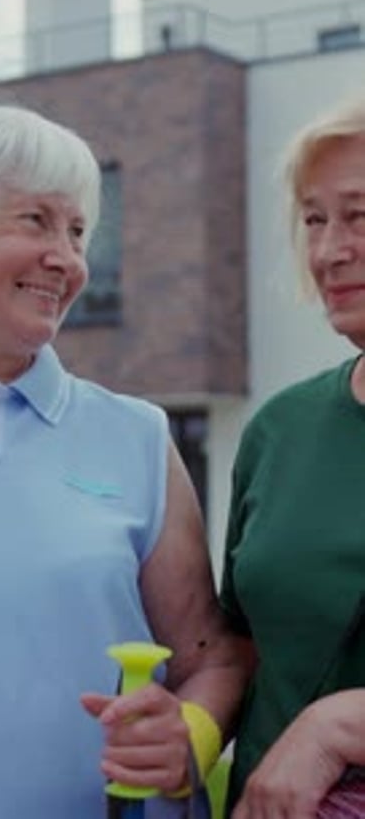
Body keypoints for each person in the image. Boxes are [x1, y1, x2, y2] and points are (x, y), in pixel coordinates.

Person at [0, 96, 253, 819]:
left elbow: (215, 657)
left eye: (78, 232)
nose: (68, 259)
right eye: (35, 221)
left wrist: (188, 742)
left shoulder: (135, 434)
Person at [221, 93, 365, 819]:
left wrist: (339, 725)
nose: (329, 250)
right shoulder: (279, 427)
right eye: (315, 220)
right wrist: (173, 725)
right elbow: (241, 650)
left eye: (358, 215)